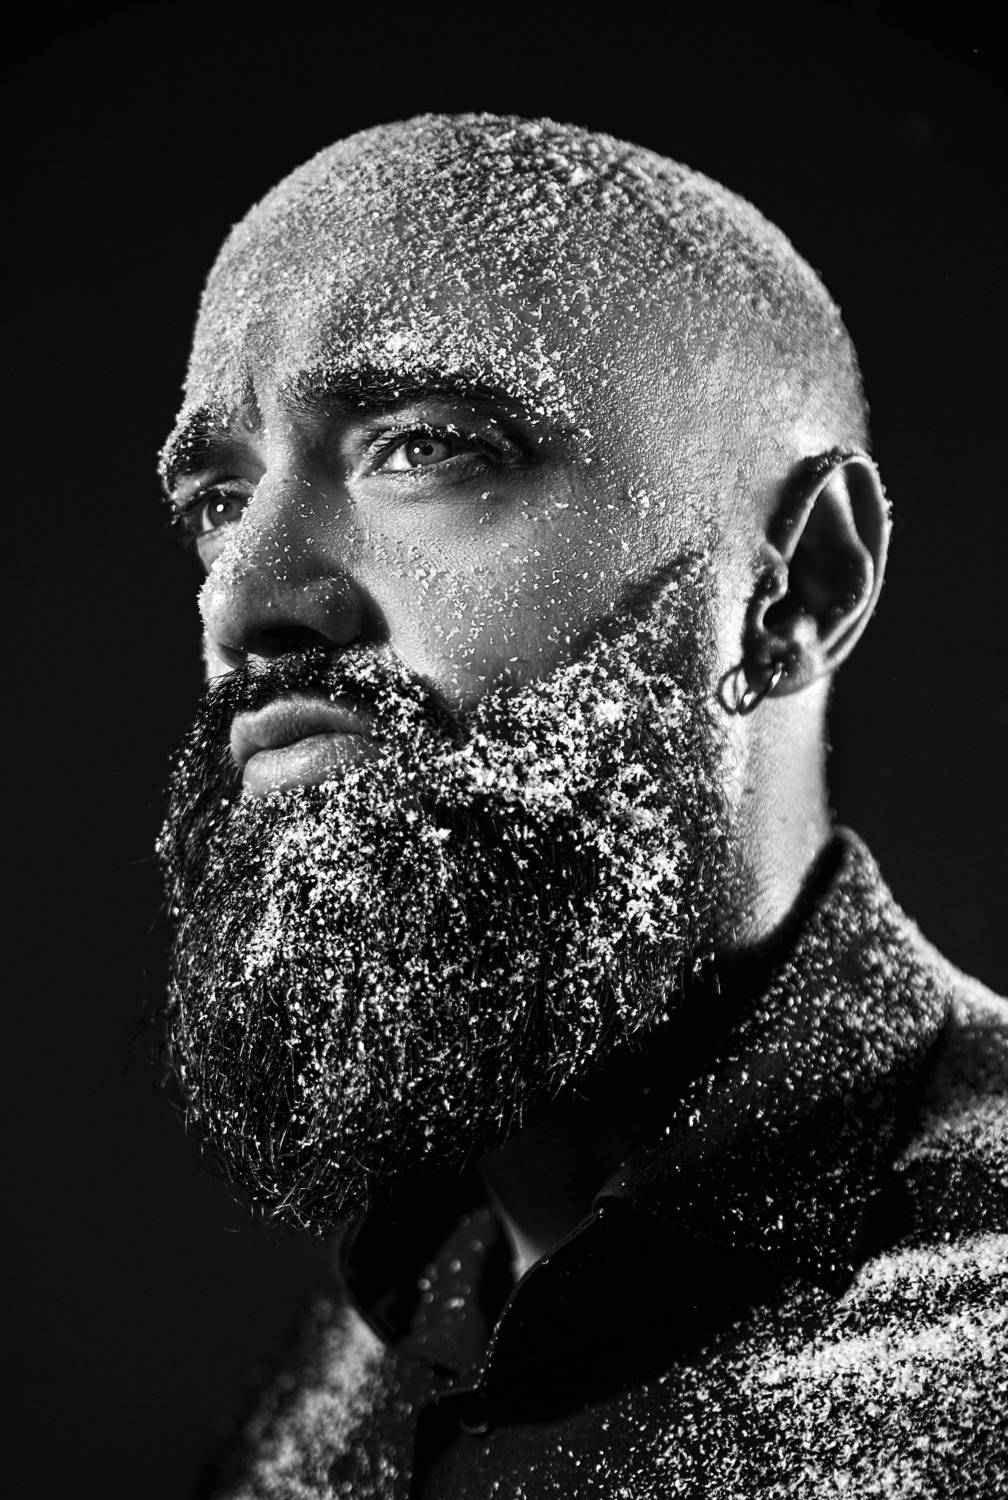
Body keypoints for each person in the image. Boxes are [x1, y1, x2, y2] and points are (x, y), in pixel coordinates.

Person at [156, 114, 1007, 1499]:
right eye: (217, 499)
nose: (243, 601)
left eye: (425, 447)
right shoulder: (376, 1333)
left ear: (798, 586)